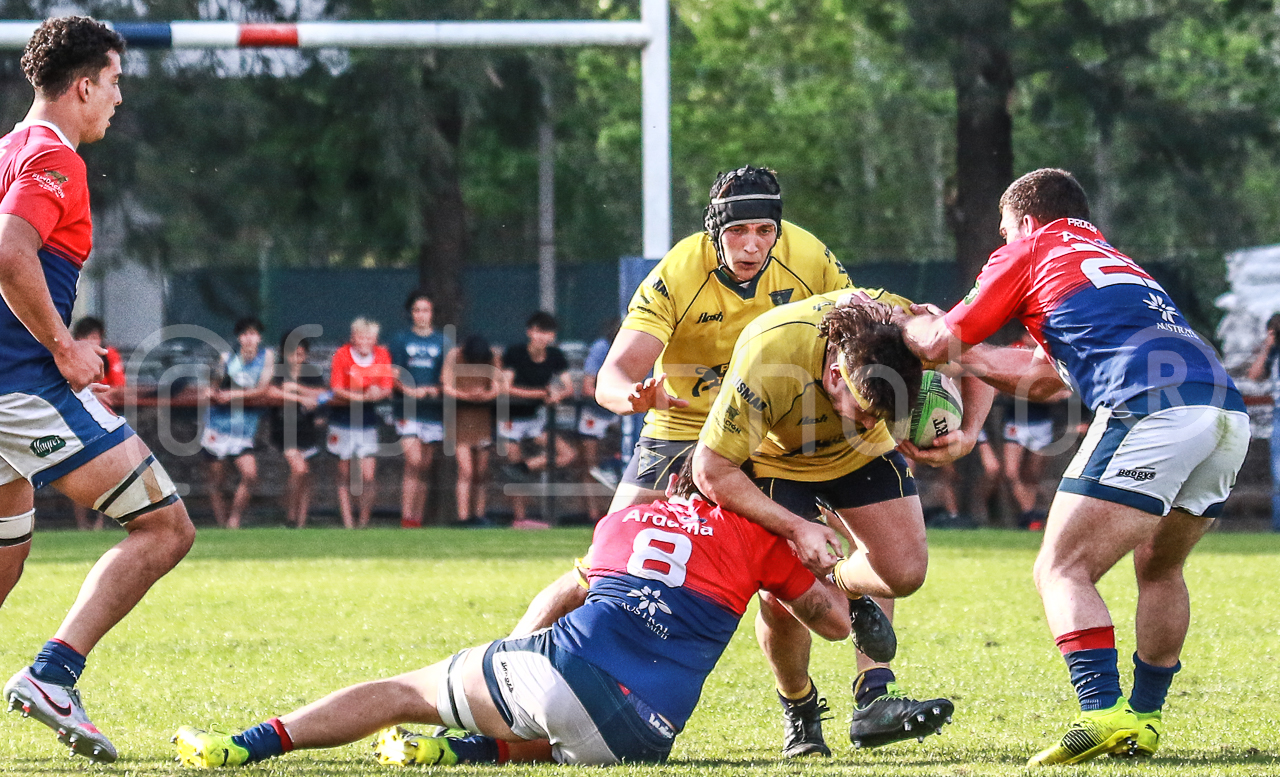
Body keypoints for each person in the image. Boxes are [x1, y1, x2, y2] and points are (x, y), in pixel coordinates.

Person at [901, 168, 1251, 765]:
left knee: (1060, 568)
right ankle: (1142, 720)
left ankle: (1101, 712)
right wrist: (973, 358)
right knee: (1159, 568)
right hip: (1224, 414)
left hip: (1151, 409)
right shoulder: (1114, 262)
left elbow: (939, 345)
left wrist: (914, 324)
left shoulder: (1034, 246)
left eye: (1005, 231)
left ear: (1027, 221)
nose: (1002, 243)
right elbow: (1042, 381)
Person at [171, 461, 850, 768]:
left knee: (405, 691)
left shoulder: (631, 515)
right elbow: (836, 622)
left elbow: (562, 594)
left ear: (679, 479)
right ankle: (461, 750)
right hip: (645, 737)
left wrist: (512, 656)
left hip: (563, 675)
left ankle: (247, 744)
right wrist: (823, 552)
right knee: (566, 722)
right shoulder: (767, 537)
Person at [510, 166, 856, 757]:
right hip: (679, 428)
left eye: (765, 231)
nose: (752, 245)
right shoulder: (679, 271)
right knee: (596, 570)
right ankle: (504, 679)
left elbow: (854, 335)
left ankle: (801, 711)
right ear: (716, 229)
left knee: (789, 585)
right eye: (740, 231)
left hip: (770, 435)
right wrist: (634, 396)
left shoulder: (811, 257)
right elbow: (612, 376)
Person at [0, 17, 195, 763]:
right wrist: (64, 347)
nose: (118, 97)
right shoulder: (55, 157)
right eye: (114, 82)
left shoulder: (7, 152)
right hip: (24, 388)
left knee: (6, 555)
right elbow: (11, 253)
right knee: (166, 527)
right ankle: (54, 675)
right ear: (84, 84)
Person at [692, 289, 993, 753]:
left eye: (883, 415)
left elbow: (981, 354)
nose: (869, 421)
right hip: (779, 463)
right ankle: (800, 710)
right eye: (864, 411)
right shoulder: (769, 355)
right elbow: (711, 470)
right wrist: (796, 528)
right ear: (836, 374)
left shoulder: (912, 327)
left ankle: (872, 700)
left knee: (905, 574)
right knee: (787, 601)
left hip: (861, 462)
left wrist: (969, 432)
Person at [499, 311, 575, 528]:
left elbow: (568, 387)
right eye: (540, 331)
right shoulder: (515, 353)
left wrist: (556, 395)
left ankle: (524, 467)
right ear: (530, 332)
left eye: (548, 333)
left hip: (534, 421)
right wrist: (541, 393)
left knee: (567, 454)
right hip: (510, 419)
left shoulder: (555, 356)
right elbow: (506, 388)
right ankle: (519, 519)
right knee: (513, 470)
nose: (544, 337)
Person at [201, 317, 274, 529]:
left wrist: (234, 395)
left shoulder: (266, 357)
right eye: (245, 334)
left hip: (243, 428)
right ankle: (221, 522)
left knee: (250, 474)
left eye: (253, 334)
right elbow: (212, 385)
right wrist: (213, 391)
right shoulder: (227, 358)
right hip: (218, 425)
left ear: (259, 337)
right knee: (217, 479)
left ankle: (234, 520)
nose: (249, 339)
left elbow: (263, 388)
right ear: (239, 337)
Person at [388, 291, 448, 528]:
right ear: (410, 313)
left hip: (432, 411)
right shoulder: (400, 339)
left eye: (426, 309)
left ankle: (417, 519)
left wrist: (435, 389)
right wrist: (410, 391)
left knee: (424, 465)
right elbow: (393, 375)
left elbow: (447, 376)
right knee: (412, 461)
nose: (422, 314)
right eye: (417, 310)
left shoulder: (443, 341)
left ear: (432, 313)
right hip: (407, 408)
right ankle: (405, 517)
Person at [328, 317, 394, 529]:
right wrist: (361, 395)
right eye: (360, 336)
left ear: (374, 339)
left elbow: (386, 387)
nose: (365, 341)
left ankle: (363, 522)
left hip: (367, 421)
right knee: (344, 473)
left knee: (368, 475)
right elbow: (336, 387)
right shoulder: (342, 355)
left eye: (369, 337)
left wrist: (377, 393)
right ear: (353, 338)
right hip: (342, 419)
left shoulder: (382, 355)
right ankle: (348, 522)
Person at [69, 316, 127, 531]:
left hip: (107, 419)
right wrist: (90, 393)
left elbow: (120, 387)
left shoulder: (109, 355)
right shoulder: (70, 354)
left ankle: (102, 522)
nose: (94, 342)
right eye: (89, 337)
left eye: (97, 337)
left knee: (110, 472)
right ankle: (82, 524)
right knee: (78, 471)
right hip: (78, 419)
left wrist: (98, 393)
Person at [266, 335, 328, 529]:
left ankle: (300, 522)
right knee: (300, 470)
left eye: (301, 353)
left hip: (307, 432)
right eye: (293, 353)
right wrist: (300, 398)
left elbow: (324, 394)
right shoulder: (278, 372)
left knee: (307, 477)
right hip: (284, 431)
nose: (297, 357)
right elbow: (270, 391)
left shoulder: (312, 373)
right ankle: (291, 516)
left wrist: (298, 390)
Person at [442, 335, 500, 527]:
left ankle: (479, 515)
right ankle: (463, 517)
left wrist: (483, 395)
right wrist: (466, 395)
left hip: (482, 421)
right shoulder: (454, 356)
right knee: (465, 470)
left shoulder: (492, 357)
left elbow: (497, 387)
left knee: (481, 471)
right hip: (459, 421)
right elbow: (446, 386)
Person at [580, 318, 622, 517]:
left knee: (624, 459)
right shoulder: (601, 348)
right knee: (591, 465)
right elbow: (588, 388)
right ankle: (593, 513)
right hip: (596, 412)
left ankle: (617, 512)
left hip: (622, 414)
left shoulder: (636, 349)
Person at [1247, 312, 1280, 531]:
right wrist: (1268, 346)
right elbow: (1255, 375)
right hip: (1279, 413)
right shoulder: (1274, 354)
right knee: (1278, 472)